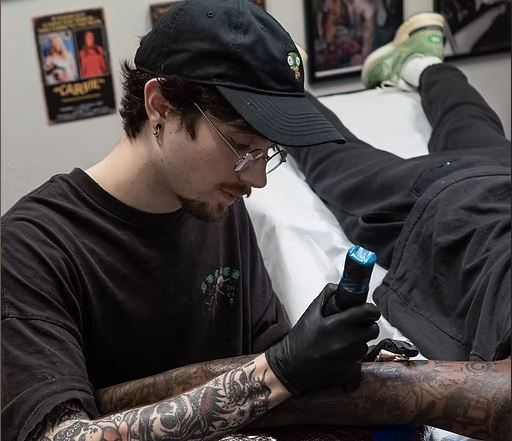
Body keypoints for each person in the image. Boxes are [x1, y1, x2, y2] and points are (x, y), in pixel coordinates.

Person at [2, 3, 509, 440]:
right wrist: (279, 370)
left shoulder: (217, 203)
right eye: (243, 147)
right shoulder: (33, 248)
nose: (258, 179)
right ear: (160, 107)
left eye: (269, 153)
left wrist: (329, 355)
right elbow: (60, 435)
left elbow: (264, 355)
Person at [290, 12, 511, 364]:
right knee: (337, 161)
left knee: (469, 120)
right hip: (452, 205)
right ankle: (285, 90)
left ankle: (421, 62)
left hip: (499, 173)